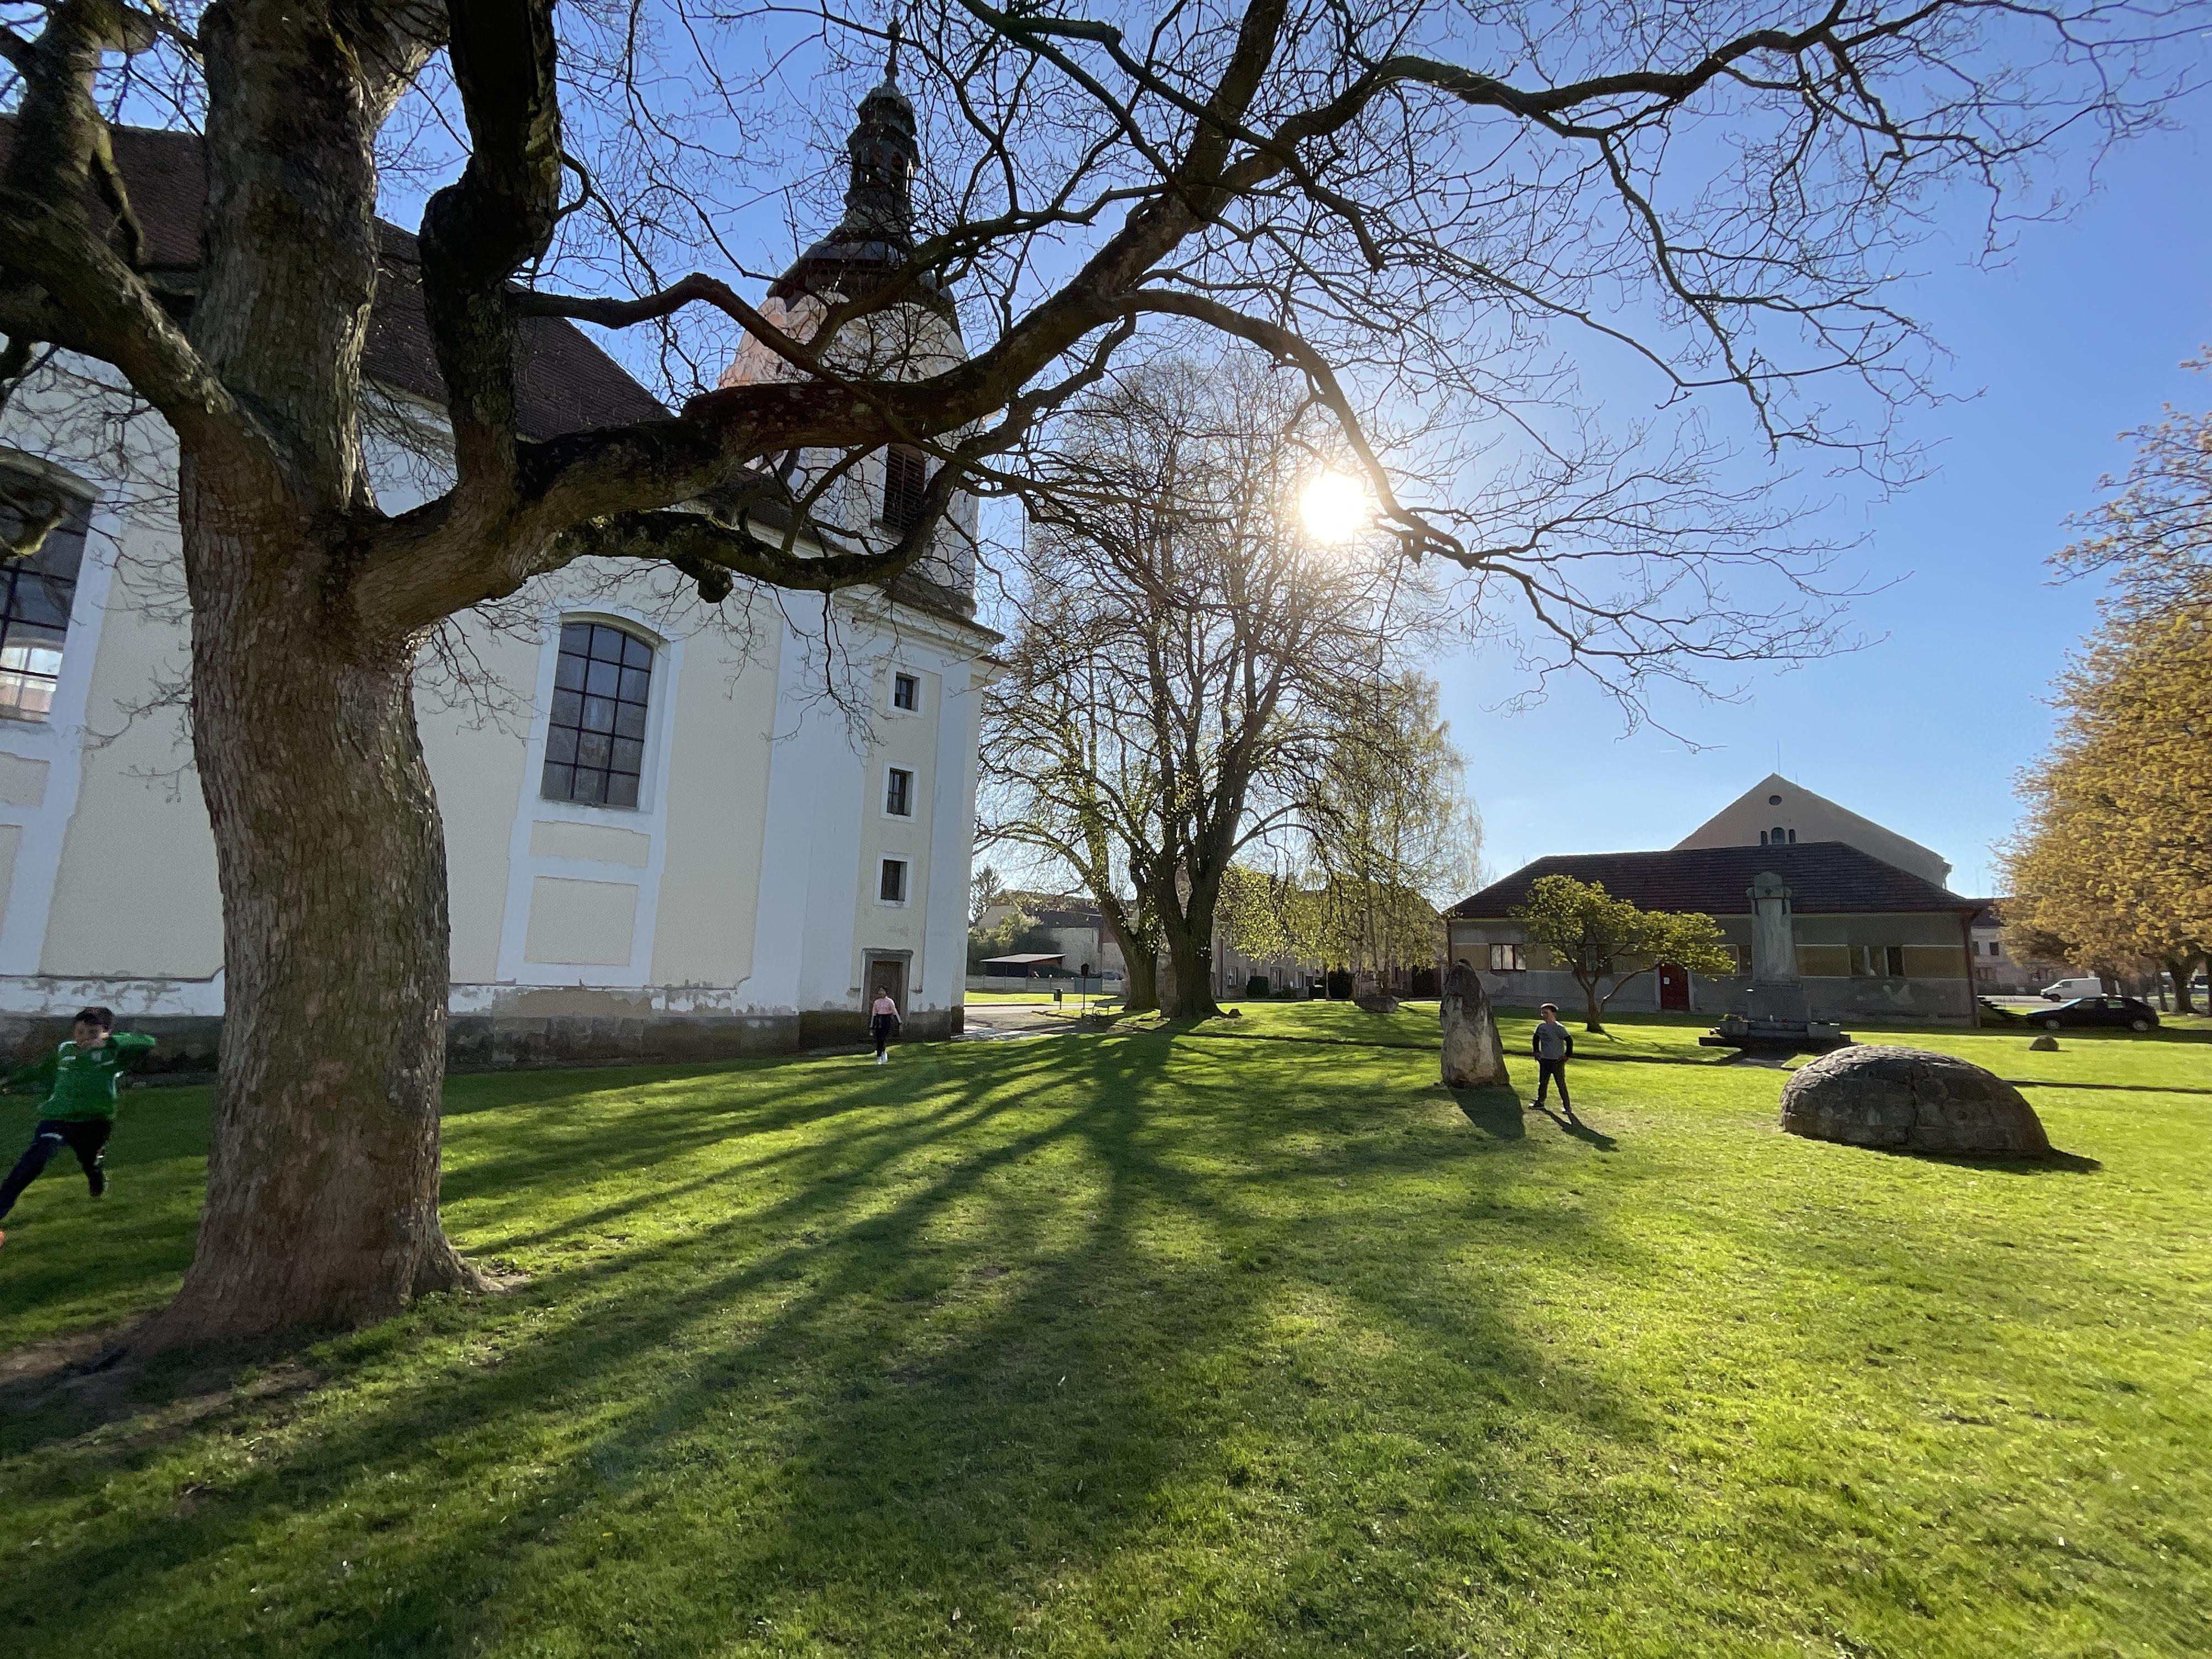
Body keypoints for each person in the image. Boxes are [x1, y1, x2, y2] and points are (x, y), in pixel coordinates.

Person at [0, 1006, 158, 1247]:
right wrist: (10, 1081)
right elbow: (44, 1070)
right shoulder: (65, 1050)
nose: (83, 1038)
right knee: (32, 1163)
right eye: (80, 1032)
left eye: (92, 1033)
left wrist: (108, 1042)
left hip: (94, 1122)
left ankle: (96, 1176)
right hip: (58, 1119)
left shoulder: (112, 1052)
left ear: (106, 1032)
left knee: (90, 1161)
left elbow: (147, 1041)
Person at [1531, 1003, 1575, 1119]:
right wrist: (1536, 1052)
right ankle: (1540, 1102)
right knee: (1543, 1083)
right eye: (1542, 1013)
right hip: (1545, 1060)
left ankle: (1567, 1107)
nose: (1544, 1015)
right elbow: (1536, 1039)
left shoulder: (1559, 1028)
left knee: (1561, 1084)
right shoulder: (1541, 1027)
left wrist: (1567, 1055)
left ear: (1553, 1014)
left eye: (1546, 1013)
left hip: (1557, 1061)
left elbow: (1569, 1041)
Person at [869, 989, 901, 1065]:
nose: (881, 993)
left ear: (886, 992)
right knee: (879, 1039)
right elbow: (874, 1014)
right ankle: (881, 1054)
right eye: (880, 991)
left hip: (887, 1021)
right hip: (879, 1020)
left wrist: (900, 1022)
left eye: (883, 991)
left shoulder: (890, 1001)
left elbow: (895, 1012)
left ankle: (880, 1056)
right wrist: (872, 1027)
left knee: (883, 1039)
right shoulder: (876, 1002)